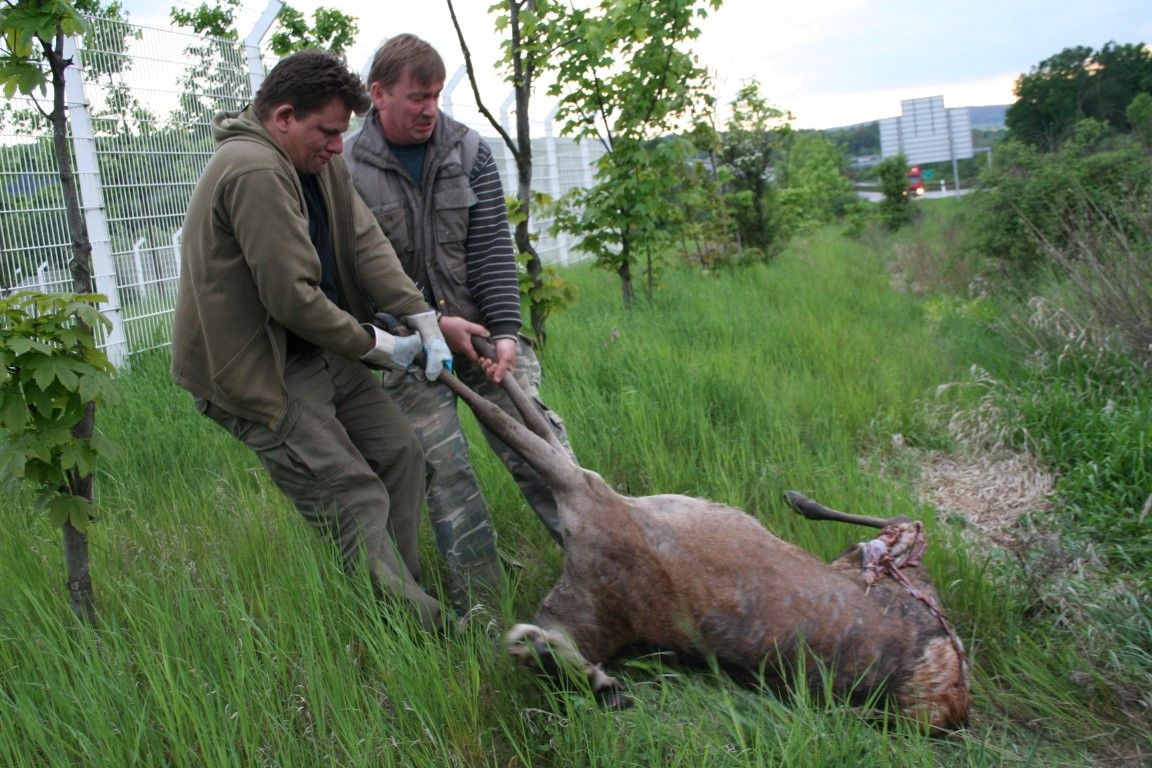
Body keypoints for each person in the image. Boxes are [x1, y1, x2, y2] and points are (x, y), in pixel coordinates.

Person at [170, 50, 454, 634]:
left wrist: (419, 314)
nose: (336, 145)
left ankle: (399, 597)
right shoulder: (255, 170)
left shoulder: (315, 160)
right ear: (282, 117)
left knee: (401, 455)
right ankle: (430, 634)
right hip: (259, 369)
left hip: (316, 346)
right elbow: (291, 298)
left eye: (341, 132)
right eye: (325, 131)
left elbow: (364, 238)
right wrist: (379, 345)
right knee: (354, 500)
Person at [345, 34, 574, 613]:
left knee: (544, 453)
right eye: (417, 97)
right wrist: (425, 327)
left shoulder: (469, 150)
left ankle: (609, 569)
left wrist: (503, 332)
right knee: (443, 472)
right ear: (378, 95)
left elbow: (493, 248)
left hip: (483, 333)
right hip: (407, 347)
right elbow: (354, 278)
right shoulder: (343, 170)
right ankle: (485, 610)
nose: (430, 109)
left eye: (437, 95)